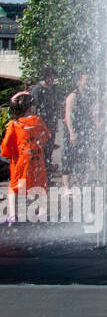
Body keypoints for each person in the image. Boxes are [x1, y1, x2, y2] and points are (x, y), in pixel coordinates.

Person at [2, 92, 51, 224]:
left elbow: (6, 146)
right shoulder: (37, 120)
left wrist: (8, 155)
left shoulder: (14, 124)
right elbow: (46, 136)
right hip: (37, 159)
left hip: (21, 162)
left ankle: (12, 215)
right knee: (41, 184)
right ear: (30, 108)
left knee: (14, 187)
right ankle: (42, 212)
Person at [61, 72, 98, 190]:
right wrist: (72, 133)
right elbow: (69, 115)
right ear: (79, 82)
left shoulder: (88, 95)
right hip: (73, 132)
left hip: (84, 131)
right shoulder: (73, 96)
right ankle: (67, 188)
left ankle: (79, 184)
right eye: (86, 80)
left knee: (81, 158)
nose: (88, 82)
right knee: (68, 159)